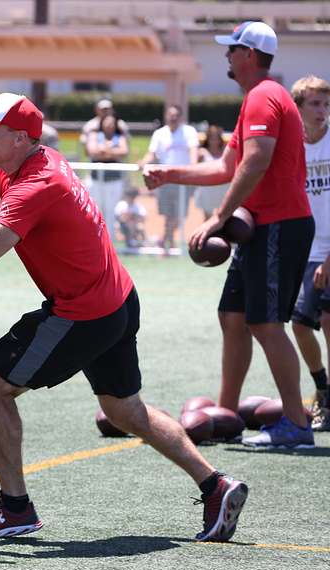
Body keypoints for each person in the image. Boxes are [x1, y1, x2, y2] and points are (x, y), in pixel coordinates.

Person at [0, 93, 248, 542]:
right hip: (117, 299)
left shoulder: (35, 185)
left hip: (81, 312)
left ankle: (14, 508)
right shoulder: (31, 160)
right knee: (125, 411)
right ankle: (216, 486)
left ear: (20, 137)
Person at [144, 21, 315, 448]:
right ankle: (226, 414)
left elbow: (255, 162)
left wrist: (217, 217)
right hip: (261, 228)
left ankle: (296, 425)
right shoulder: (255, 99)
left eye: (232, 49)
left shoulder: (263, 96)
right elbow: (225, 167)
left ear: (249, 55)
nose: (226, 57)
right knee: (233, 317)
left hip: (279, 225)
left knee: (267, 323)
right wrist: (170, 174)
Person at [288, 75, 330, 430]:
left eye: (326, 104)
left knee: (329, 321)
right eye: (315, 104)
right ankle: (323, 389)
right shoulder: (292, 146)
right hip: (305, 250)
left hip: (329, 252)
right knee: (301, 325)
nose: (322, 111)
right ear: (298, 108)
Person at [140, 104, 198, 253]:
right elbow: (151, 154)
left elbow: (193, 153)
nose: (173, 118)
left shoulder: (189, 132)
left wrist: (194, 170)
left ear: (180, 117)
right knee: (167, 213)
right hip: (164, 180)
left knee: (180, 214)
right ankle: (169, 240)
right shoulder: (159, 134)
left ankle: (165, 238)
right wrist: (143, 162)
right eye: (170, 115)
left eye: (176, 115)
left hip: (183, 180)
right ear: (166, 116)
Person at [85, 112, 129, 243]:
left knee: (111, 212)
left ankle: (109, 243)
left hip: (114, 181)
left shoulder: (119, 136)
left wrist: (104, 151)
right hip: (96, 181)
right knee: (95, 211)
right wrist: (112, 152)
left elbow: (123, 152)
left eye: (111, 123)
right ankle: (94, 241)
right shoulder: (94, 135)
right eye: (106, 122)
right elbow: (92, 151)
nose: (109, 125)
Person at [194, 124, 231, 220]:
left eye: (216, 138)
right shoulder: (202, 152)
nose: (214, 141)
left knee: (222, 218)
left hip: (223, 189)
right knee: (207, 219)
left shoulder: (226, 151)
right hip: (207, 190)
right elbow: (195, 168)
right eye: (211, 138)